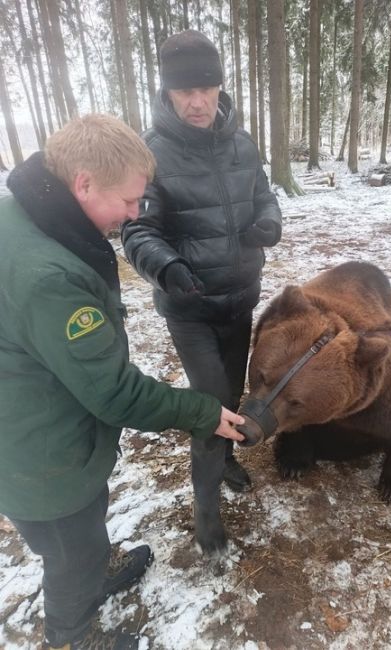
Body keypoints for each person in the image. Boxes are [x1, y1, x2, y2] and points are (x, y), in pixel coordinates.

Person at [0, 114, 245, 650]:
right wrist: (203, 413)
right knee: (69, 553)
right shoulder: (49, 277)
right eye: (129, 202)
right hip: (40, 454)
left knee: (83, 530)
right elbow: (111, 391)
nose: (136, 214)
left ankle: (92, 570)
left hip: (33, 413)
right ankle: (71, 633)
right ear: (83, 182)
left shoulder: (23, 213)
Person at [122, 31, 282, 553]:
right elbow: (138, 229)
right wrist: (166, 266)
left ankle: (228, 459)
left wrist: (267, 224)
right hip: (189, 307)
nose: (197, 102)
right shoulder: (151, 151)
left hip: (240, 299)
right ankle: (206, 515)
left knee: (230, 395)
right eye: (184, 91)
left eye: (207, 88)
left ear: (219, 86)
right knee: (212, 408)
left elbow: (265, 197)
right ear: (167, 93)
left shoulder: (241, 141)